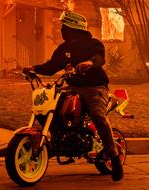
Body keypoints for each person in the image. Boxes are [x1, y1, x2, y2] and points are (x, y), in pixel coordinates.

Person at [23, 11, 124, 182]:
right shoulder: (64, 49)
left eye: (64, 27)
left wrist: (89, 63)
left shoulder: (93, 44)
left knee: (98, 116)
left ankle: (114, 158)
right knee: (53, 107)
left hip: (95, 87)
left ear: (73, 28)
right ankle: (59, 141)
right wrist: (34, 68)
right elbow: (52, 66)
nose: (62, 30)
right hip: (73, 87)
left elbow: (99, 58)